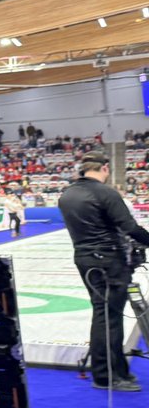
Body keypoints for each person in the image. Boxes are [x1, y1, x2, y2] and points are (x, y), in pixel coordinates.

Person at [59, 154, 149, 392]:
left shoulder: (67, 194)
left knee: (103, 315)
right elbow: (129, 227)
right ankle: (107, 376)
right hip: (109, 261)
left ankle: (114, 370)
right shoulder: (105, 192)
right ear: (105, 168)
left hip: (85, 259)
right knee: (109, 319)